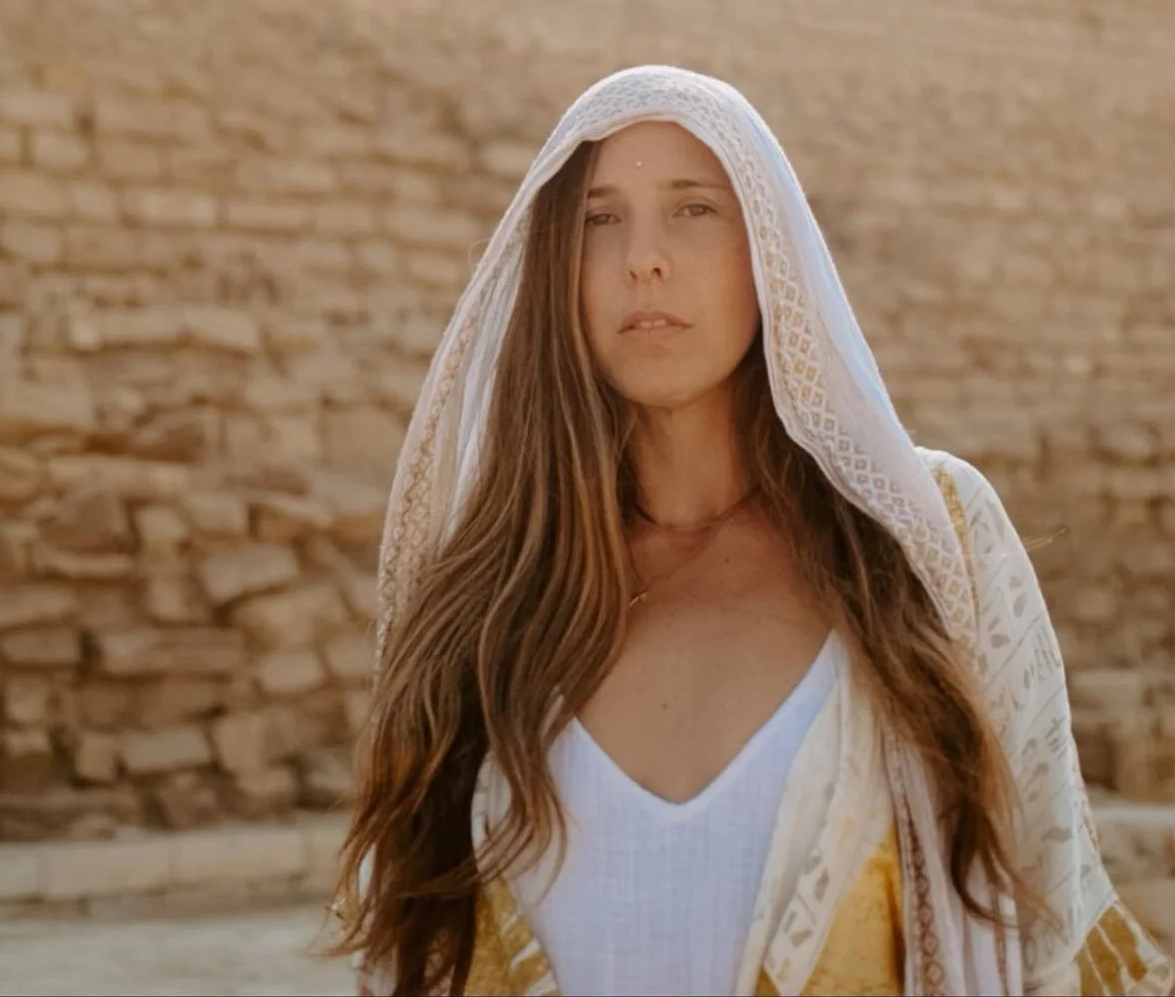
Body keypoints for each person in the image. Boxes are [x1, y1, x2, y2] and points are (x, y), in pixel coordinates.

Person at [331, 65, 1173, 996]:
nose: (642, 258)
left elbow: (1051, 934)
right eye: (599, 220)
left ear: (769, 249)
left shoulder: (930, 542)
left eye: (693, 209)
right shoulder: (484, 603)